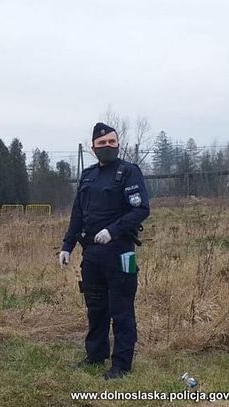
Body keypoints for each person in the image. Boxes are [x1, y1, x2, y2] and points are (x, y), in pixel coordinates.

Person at [59, 122, 150, 380]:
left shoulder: (129, 172)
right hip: (92, 256)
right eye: (102, 144)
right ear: (93, 148)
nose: (107, 147)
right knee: (96, 307)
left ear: (118, 144)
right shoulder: (88, 176)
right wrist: (67, 246)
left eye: (111, 142)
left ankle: (121, 365)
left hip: (122, 253)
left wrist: (113, 230)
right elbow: (78, 214)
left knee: (121, 309)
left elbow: (141, 209)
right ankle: (95, 355)